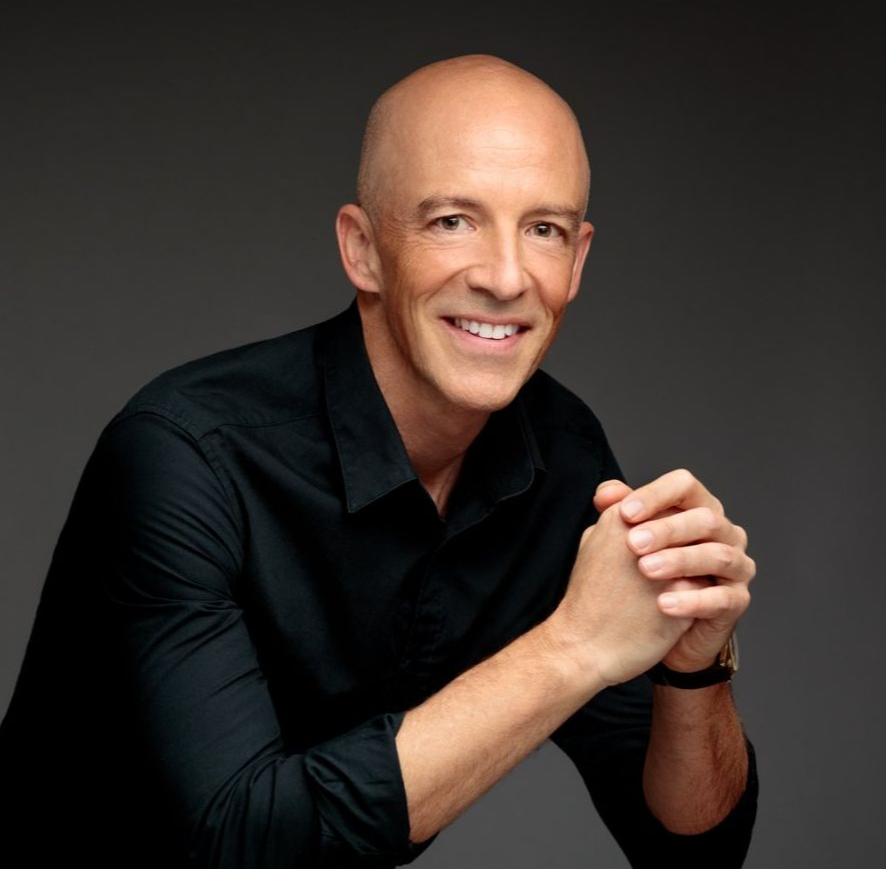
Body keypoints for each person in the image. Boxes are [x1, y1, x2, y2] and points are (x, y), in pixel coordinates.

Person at [0, 55, 757, 868]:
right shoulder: (184, 452)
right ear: (362, 250)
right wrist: (572, 647)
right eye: (452, 221)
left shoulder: (565, 457)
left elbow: (691, 854)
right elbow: (240, 844)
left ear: (576, 262)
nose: (505, 276)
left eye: (543, 228)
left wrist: (693, 667)